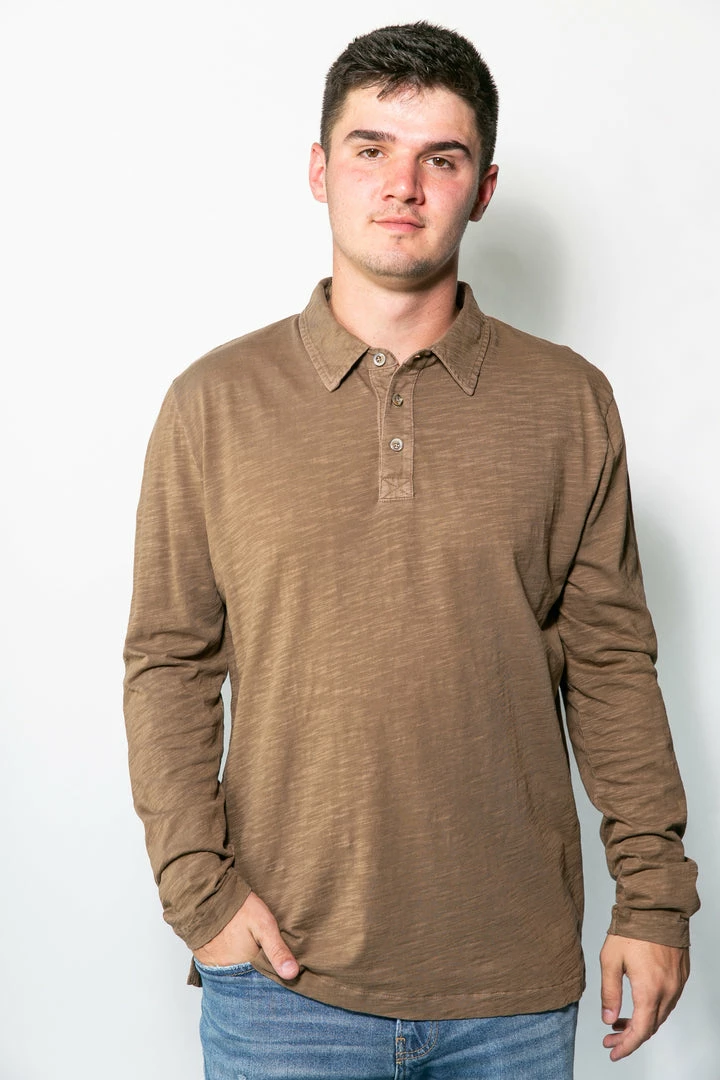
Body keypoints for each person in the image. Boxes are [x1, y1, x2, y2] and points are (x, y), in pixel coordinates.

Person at [124, 21, 699, 1079]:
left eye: (442, 158)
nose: (403, 185)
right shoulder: (214, 404)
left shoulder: (568, 403)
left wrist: (655, 898)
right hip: (283, 986)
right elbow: (169, 661)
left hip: (512, 991)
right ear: (319, 170)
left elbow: (612, 662)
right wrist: (199, 894)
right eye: (371, 149)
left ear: (483, 189)